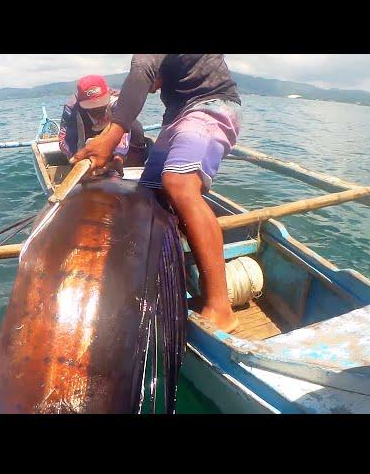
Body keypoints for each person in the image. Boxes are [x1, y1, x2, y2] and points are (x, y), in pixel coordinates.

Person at [70, 55, 242, 333]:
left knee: (178, 183)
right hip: (177, 117)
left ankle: (220, 308)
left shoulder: (149, 62)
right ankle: (168, 274)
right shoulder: (173, 82)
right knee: (147, 200)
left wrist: (110, 137)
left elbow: (141, 73)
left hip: (211, 105)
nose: (152, 88)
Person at [59, 74, 146, 174]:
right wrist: (80, 161)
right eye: (92, 107)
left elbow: (125, 123)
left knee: (136, 129)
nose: (98, 110)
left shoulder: (119, 99)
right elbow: (64, 141)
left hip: (114, 134)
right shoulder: (71, 109)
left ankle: (130, 166)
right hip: (86, 137)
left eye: (101, 105)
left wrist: (119, 156)